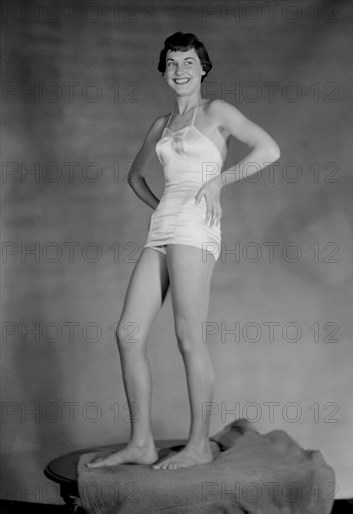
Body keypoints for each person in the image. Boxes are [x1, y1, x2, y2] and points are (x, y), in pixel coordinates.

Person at [88, 32, 280, 470]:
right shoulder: (160, 125)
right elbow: (135, 177)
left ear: (203, 68)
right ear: (163, 71)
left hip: (196, 228)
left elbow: (270, 149)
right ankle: (141, 444)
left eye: (188, 62)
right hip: (163, 227)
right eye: (172, 64)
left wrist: (219, 180)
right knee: (128, 334)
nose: (180, 71)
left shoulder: (217, 112)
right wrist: (163, 209)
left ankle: (197, 446)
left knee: (188, 336)